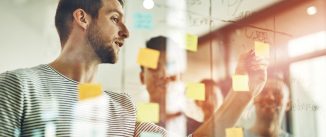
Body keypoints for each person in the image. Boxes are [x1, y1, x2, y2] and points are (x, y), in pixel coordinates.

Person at [0, 0, 268, 136]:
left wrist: (243, 93)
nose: (126, 32)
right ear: (82, 18)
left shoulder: (123, 107)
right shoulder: (18, 87)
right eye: (115, 18)